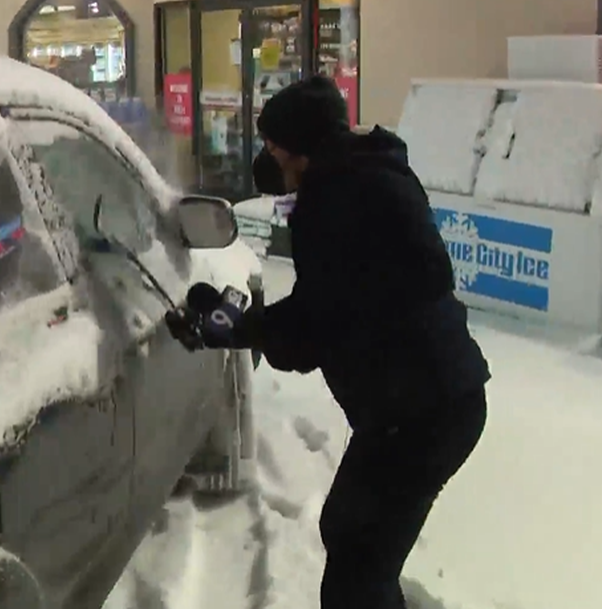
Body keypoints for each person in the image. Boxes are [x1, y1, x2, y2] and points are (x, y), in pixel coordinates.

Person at [170, 75, 491, 609]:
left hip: (418, 413)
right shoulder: (368, 172)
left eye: (274, 147)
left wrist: (236, 329)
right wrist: (249, 324)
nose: (270, 160)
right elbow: (338, 301)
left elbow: (315, 330)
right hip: (435, 399)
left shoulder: (335, 199)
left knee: (355, 572)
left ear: (301, 147)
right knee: (352, 536)